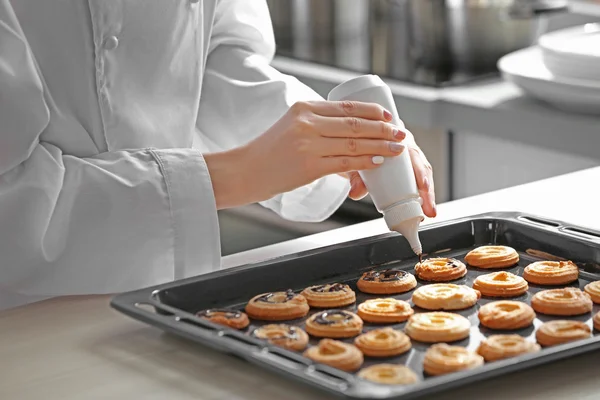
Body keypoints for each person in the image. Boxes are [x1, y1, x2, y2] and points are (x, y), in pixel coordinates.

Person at [0, 0, 436, 310]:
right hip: (18, 319)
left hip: (158, 300)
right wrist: (228, 176)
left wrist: (334, 139)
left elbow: (208, 58)